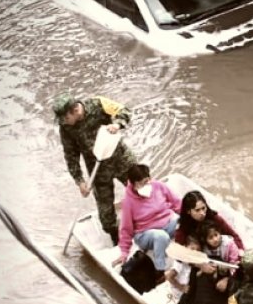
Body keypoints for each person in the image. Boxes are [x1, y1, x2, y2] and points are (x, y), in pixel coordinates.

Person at [53, 93, 137, 245]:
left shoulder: (98, 104)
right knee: (106, 217)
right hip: (98, 171)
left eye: (65, 118)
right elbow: (71, 156)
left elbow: (124, 111)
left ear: (75, 110)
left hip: (121, 159)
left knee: (142, 190)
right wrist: (80, 182)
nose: (63, 122)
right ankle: (117, 240)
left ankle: (151, 223)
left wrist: (117, 124)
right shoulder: (66, 128)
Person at [116, 163, 182, 272]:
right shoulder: (128, 201)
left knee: (184, 222)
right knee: (161, 236)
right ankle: (160, 269)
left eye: (147, 181)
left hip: (166, 224)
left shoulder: (158, 186)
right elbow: (126, 229)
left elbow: (177, 203)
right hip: (144, 233)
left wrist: (189, 215)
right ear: (134, 185)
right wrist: (124, 251)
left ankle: (186, 259)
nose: (146, 185)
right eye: (142, 183)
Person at [174, 190, 244, 250]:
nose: (202, 213)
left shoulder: (215, 219)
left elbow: (234, 236)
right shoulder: (184, 226)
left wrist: (240, 251)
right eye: (197, 210)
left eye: (203, 208)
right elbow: (178, 249)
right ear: (188, 211)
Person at [165, 235, 199, 304]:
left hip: (181, 295)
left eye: (197, 251)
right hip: (173, 292)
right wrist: (181, 287)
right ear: (185, 247)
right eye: (192, 249)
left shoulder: (190, 264)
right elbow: (169, 277)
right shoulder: (179, 261)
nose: (194, 253)